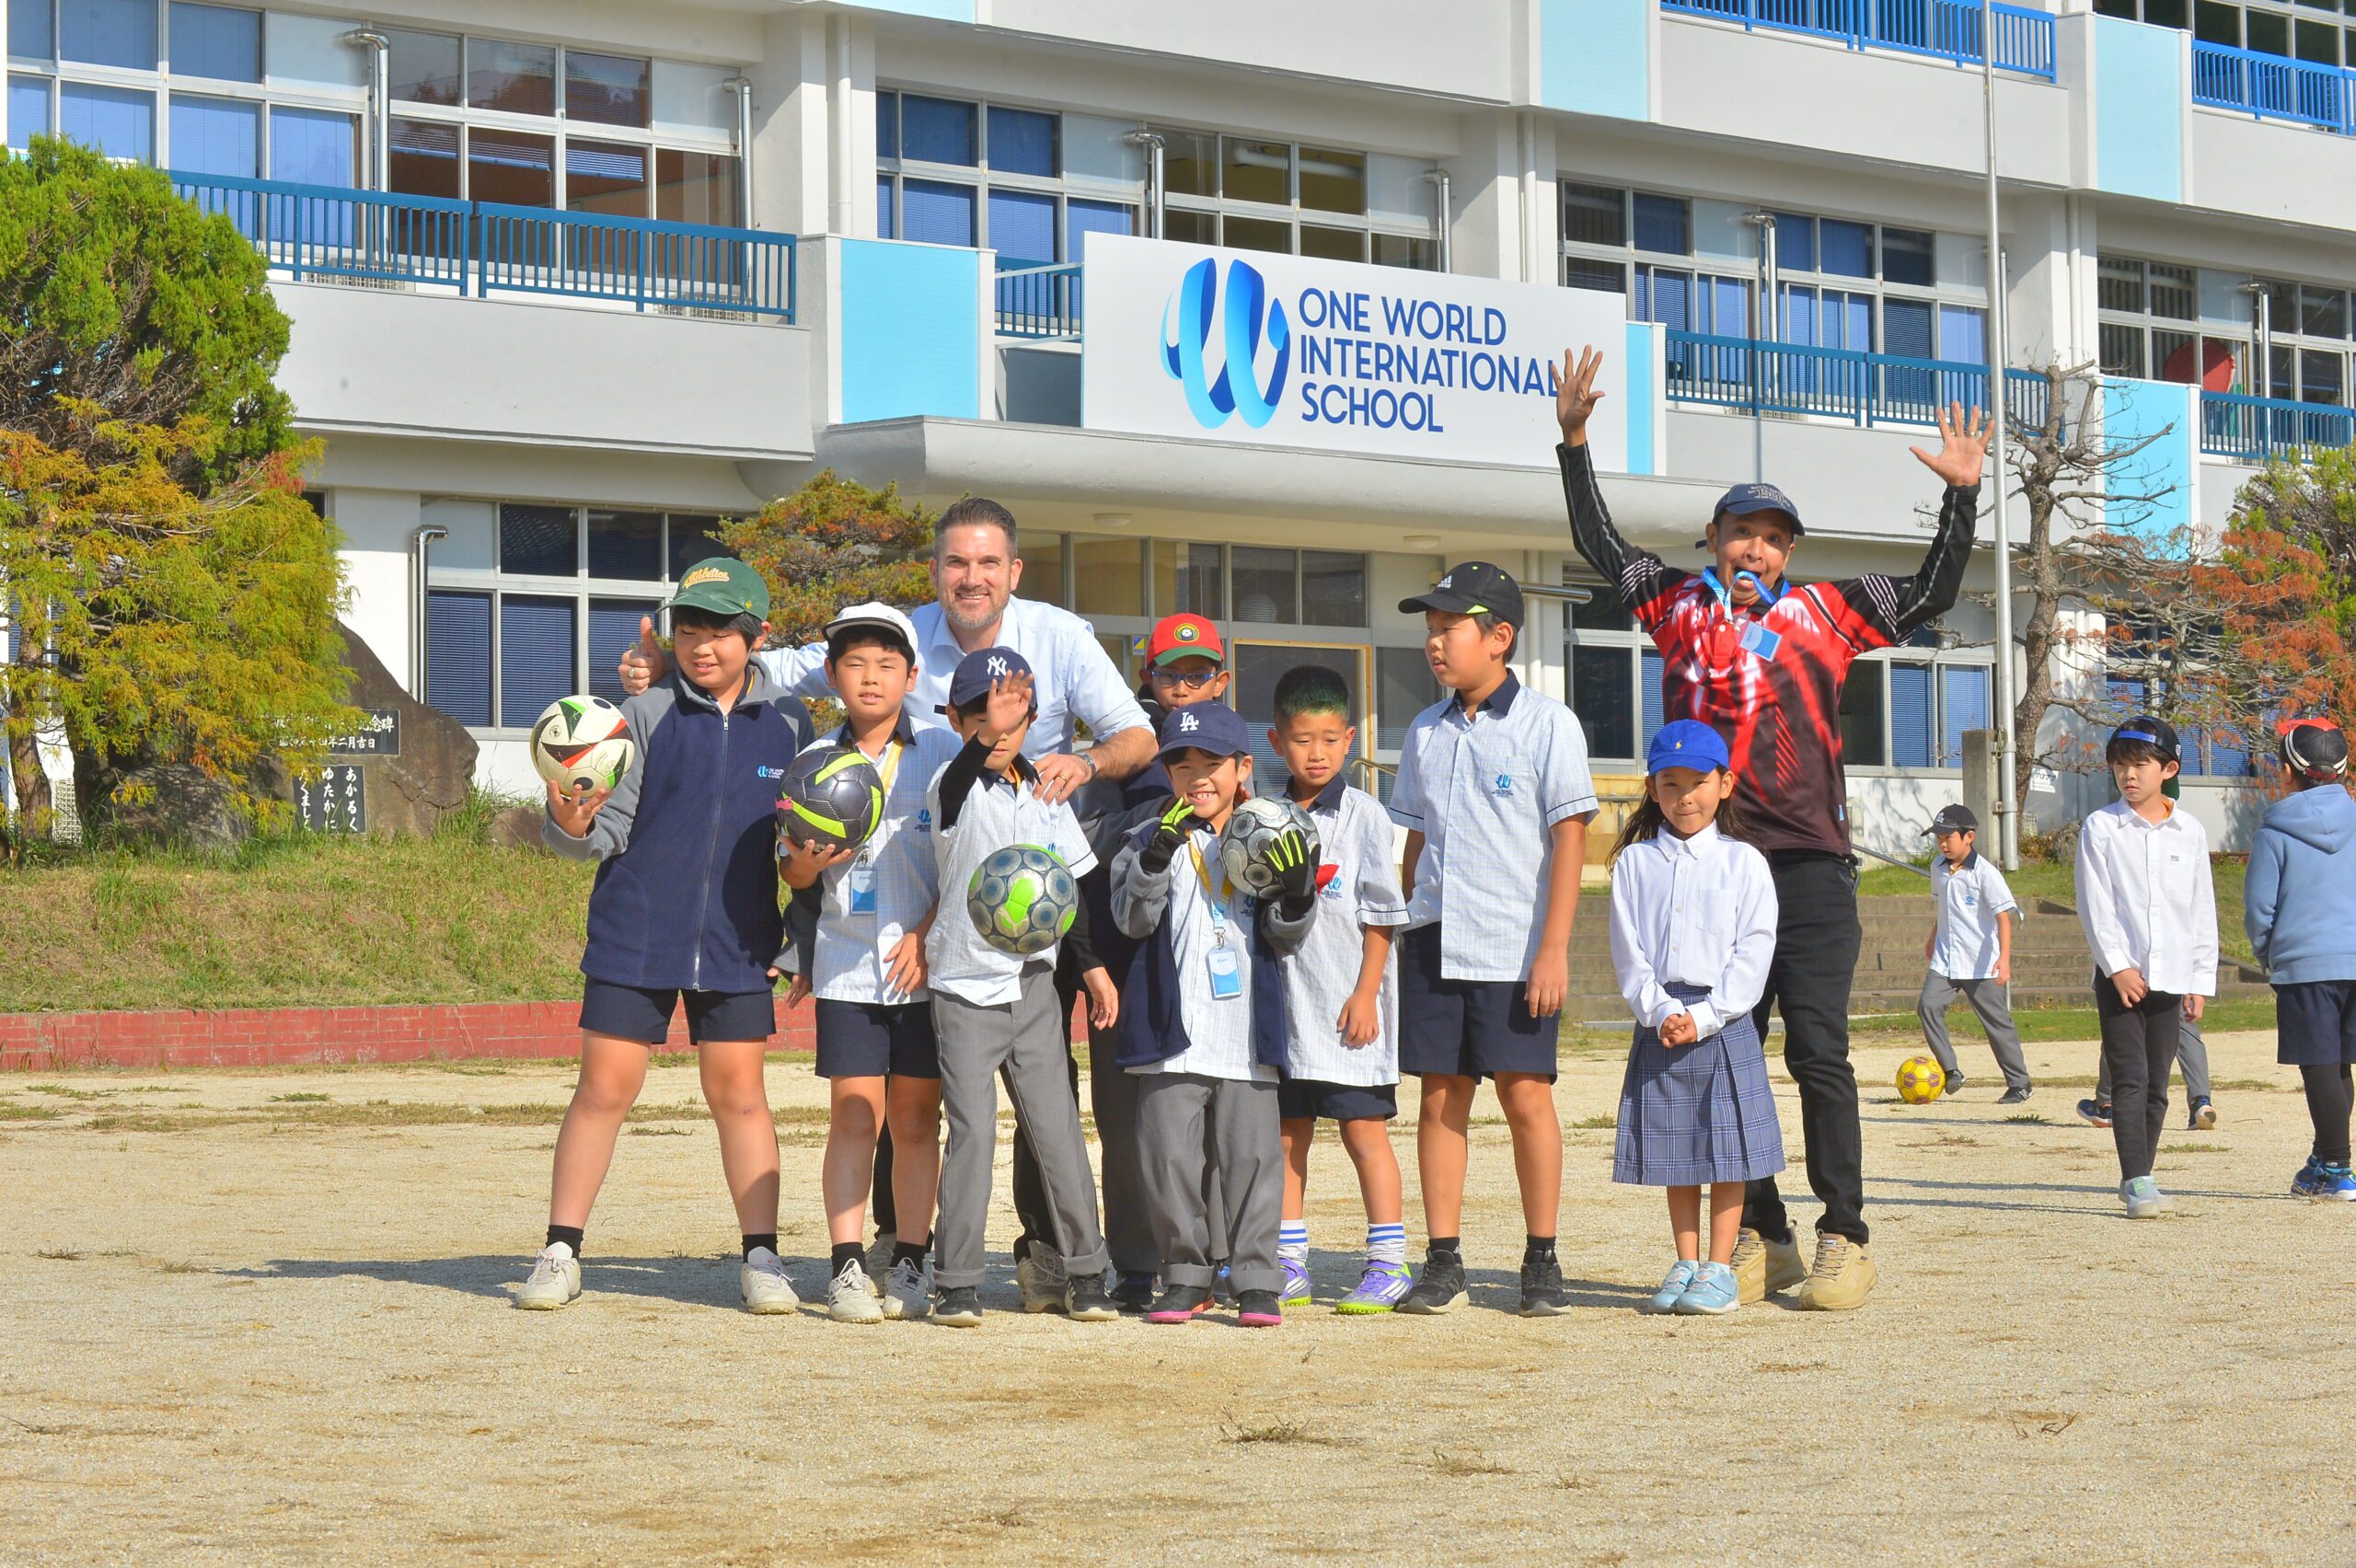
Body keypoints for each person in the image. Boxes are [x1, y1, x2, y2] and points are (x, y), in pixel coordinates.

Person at [619, 499, 1154, 1306]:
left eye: (988, 563)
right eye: (955, 563)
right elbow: (775, 665)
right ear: (935, 572)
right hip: (891, 958)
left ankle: (1042, 1253)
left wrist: (1081, 763)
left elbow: (1133, 736)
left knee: (1024, 1111)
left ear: (1013, 571)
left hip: (1009, 916)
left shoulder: (1047, 651)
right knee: (891, 1113)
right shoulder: (869, 711)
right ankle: (890, 1252)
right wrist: (682, 662)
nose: (970, 578)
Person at [1555, 342, 1988, 1310]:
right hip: (1714, 863)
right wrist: (1575, 444)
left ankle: (1844, 1235)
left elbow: (1931, 593)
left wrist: (1961, 495)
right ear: (1712, 538)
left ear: (1789, 553)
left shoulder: (1827, 612)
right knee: (1726, 1053)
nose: (1755, 549)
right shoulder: (1675, 607)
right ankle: (1762, 1234)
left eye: (1772, 538)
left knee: (1818, 1053)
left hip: (1811, 867)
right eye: (1740, 532)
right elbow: (1601, 546)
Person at [517, 559, 814, 1312]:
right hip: (636, 932)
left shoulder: (791, 722)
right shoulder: (642, 713)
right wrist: (571, 823)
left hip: (741, 940)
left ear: (758, 636)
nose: (702, 646)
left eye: (720, 631)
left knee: (740, 1097)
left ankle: (763, 1258)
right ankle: (560, 1250)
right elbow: (604, 830)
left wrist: (796, 939)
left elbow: (802, 846)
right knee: (603, 1090)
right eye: (688, 630)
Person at [1388, 561, 1598, 1319]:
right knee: (1440, 1098)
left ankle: (1541, 1257)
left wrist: (1554, 948)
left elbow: (1569, 838)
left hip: (1515, 944)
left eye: (1450, 628)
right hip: (1435, 937)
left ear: (1499, 636)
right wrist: (1403, 919)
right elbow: (1414, 841)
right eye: (1430, 629)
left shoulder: (1548, 723)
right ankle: (1443, 1260)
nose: (1435, 643)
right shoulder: (1424, 729)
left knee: (1525, 1096)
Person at [924, 648, 1120, 1325]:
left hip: (1035, 986)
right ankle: (957, 1283)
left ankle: (1087, 1274)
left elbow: (1073, 885)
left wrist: (1091, 967)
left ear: (1033, 721)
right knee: (972, 1134)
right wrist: (986, 736)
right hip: (964, 987)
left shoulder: (1047, 791)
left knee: (1057, 1131)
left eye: (1015, 716)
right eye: (983, 715)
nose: (1002, 728)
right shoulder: (951, 787)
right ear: (959, 722)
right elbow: (959, 780)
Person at [777, 604, 962, 1323]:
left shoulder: (942, 751)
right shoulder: (812, 760)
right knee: (854, 1117)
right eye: (855, 663)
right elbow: (792, 874)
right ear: (831, 675)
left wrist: (926, 932)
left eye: (887, 664)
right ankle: (847, 1266)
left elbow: (967, 861)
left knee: (915, 1121)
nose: (871, 677)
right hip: (847, 966)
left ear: (912, 677)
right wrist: (808, 863)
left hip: (925, 968)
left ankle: (912, 1259)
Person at [1110, 702, 1320, 1326]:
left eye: (1212, 764)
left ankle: (1255, 1279)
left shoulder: (1274, 833)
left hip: (1246, 1034)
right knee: (1168, 1159)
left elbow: (1286, 937)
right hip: (1171, 1034)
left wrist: (1298, 895)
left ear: (1242, 768)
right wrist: (1152, 862)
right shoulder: (1145, 837)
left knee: (1253, 1162)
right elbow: (1130, 921)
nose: (1197, 777)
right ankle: (1185, 1275)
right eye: (1182, 766)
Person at [1074, 611, 1237, 1311]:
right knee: (1129, 1126)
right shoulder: (1124, 750)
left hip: (1217, 967)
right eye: (1172, 674)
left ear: (1221, 679)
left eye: (1199, 674)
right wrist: (1165, 817)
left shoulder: (1233, 748)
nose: (1184, 686)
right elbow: (1083, 853)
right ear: (1148, 677)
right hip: (1129, 965)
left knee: (1221, 1122)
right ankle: (1138, 1264)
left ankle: (1218, 1260)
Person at [1609, 721, 1783, 1318]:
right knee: (1676, 1147)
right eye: (1671, 784)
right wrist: (1660, 1009)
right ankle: (1685, 1262)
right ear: (1652, 789)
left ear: (1726, 783)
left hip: (1723, 1019)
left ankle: (1719, 1267)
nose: (1686, 797)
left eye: (1698, 782)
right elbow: (1628, 951)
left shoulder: (1744, 863)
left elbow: (1754, 951)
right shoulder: (1634, 863)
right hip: (1660, 1019)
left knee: (1726, 1148)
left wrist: (1706, 1015)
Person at [1265, 665, 1412, 1314]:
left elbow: (1382, 914)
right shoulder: (1263, 817)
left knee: (1363, 1131)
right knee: (1286, 1134)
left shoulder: (1365, 816)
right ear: (1277, 742)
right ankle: (1288, 1259)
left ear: (1350, 739)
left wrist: (1367, 993)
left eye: (1329, 738)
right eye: (1302, 739)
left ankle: (1388, 1263)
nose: (1316, 753)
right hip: (1286, 1008)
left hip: (1349, 1004)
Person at [2074, 716, 2217, 1219]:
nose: (2128, 775)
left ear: (2168, 769)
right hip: (2121, 979)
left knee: (2158, 1084)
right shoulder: (2101, 828)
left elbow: (2201, 909)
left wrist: (2199, 980)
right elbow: (2095, 905)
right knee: (2130, 1078)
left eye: (2139, 765)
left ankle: (2141, 1174)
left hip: (2173, 975)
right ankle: (2137, 1178)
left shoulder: (2190, 831)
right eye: (2119, 766)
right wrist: (2117, 967)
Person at [2242, 720, 2356, 1200]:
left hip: (2305, 964)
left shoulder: (2275, 832)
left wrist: (2267, 952)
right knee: (2340, 1064)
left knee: (2318, 1066)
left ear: (2287, 771)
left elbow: (2259, 909)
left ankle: (2338, 1169)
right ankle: (2322, 1159)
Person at [1915, 804, 2032, 1104]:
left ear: (1969, 837)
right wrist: (1932, 938)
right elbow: (1943, 908)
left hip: (1981, 963)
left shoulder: (1985, 873)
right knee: (1927, 1005)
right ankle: (1951, 1070)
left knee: (1997, 1023)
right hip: (1945, 959)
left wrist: (2004, 959)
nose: (1942, 844)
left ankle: (2019, 1084)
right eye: (1938, 838)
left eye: (1948, 837)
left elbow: (2003, 918)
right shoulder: (1938, 868)